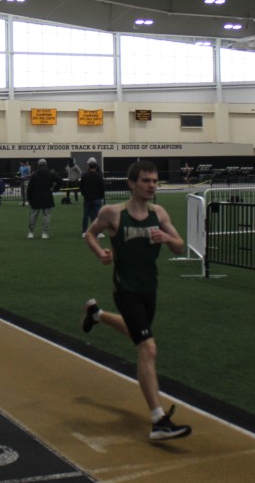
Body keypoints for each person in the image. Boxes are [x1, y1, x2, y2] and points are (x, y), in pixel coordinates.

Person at [80, 159, 192, 442]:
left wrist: (166, 237)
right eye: (146, 181)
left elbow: (180, 247)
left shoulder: (159, 213)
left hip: (149, 288)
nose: (152, 185)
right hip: (125, 289)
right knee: (147, 348)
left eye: (155, 181)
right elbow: (90, 233)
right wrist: (100, 253)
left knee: (137, 334)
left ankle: (96, 314)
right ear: (131, 184)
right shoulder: (113, 213)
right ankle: (158, 420)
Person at [27, 158, 62, 239]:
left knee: (33, 215)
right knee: (46, 216)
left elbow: (29, 188)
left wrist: (29, 199)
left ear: (38, 165)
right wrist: (55, 189)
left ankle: (31, 233)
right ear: (46, 164)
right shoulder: (51, 173)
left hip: (36, 197)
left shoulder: (34, 175)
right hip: (47, 196)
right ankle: (44, 233)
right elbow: (60, 181)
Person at [79, 157, 106, 238]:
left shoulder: (84, 176)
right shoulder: (99, 176)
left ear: (89, 166)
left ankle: (84, 232)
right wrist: (100, 197)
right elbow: (102, 188)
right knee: (97, 216)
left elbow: (81, 187)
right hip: (96, 198)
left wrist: (84, 195)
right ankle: (97, 232)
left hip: (87, 198)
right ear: (96, 166)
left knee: (86, 216)